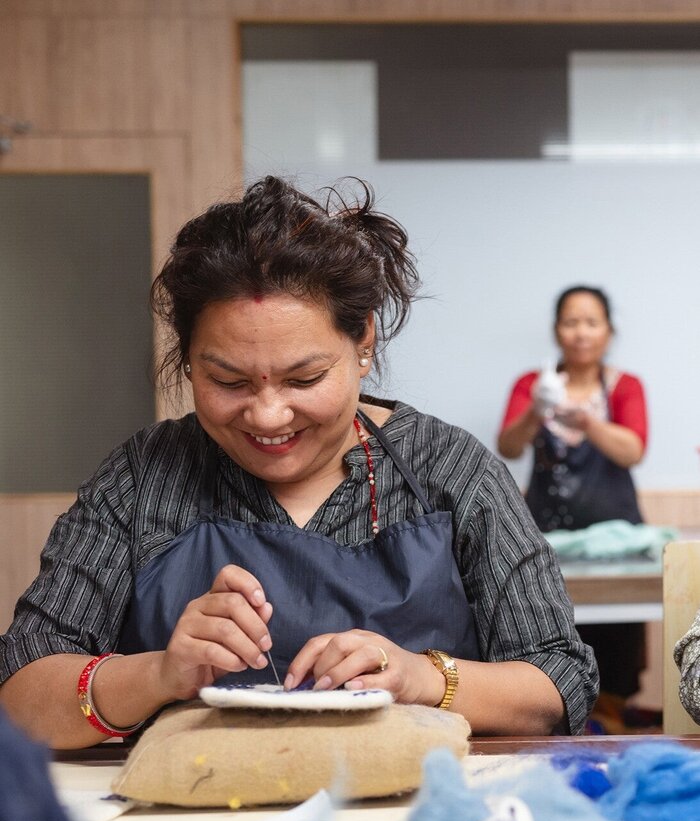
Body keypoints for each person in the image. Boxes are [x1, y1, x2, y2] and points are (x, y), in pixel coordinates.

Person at [0, 177, 597, 749]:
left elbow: (559, 679)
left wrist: (423, 678)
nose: (267, 415)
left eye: (303, 378)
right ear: (187, 358)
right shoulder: (142, 478)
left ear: (363, 341)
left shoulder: (448, 470)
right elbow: (21, 690)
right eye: (227, 380)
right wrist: (158, 674)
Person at [497, 285, 648, 710]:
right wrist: (536, 410)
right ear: (557, 330)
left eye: (591, 322)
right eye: (571, 322)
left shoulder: (624, 387)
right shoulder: (532, 384)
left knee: (616, 644)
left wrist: (586, 420)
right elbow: (508, 448)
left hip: (617, 537)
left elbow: (633, 449)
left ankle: (613, 714)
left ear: (608, 331)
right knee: (551, 632)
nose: (581, 332)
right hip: (547, 537)